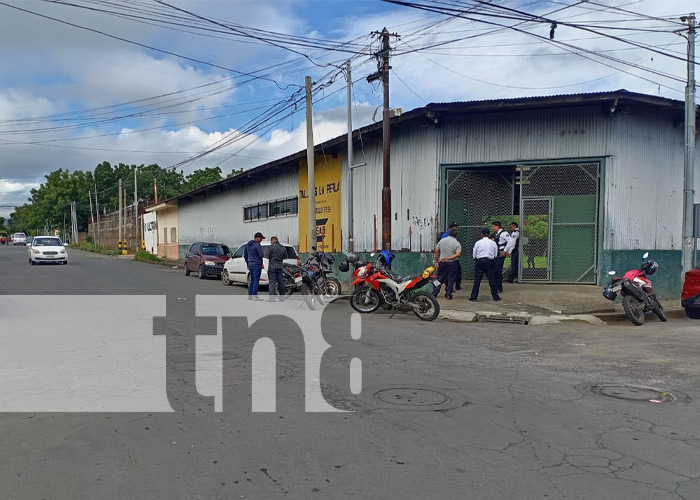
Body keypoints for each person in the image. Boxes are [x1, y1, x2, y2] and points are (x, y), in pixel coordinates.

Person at [470, 227, 501, 302]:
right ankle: (495, 297)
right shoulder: (493, 243)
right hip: (490, 262)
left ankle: (474, 297)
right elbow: (496, 254)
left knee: (477, 280)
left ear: (481, 234)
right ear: (489, 234)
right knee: (492, 280)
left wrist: (477, 259)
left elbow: (474, 254)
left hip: (480, 261)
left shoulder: (478, 243)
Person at [432, 226, 461, 300]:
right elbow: (458, 254)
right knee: (451, 279)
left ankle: (434, 293)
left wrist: (436, 261)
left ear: (449, 234)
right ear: (456, 235)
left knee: (438, 278)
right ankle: (448, 294)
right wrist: (449, 258)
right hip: (453, 263)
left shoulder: (442, 241)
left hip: (442, 262)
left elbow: (436, 251)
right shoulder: (457, 243)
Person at [440, 222, 462, 291]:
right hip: (451, 258)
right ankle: (449, 289)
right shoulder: (448, 236)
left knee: (442, 276)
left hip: (444, 258)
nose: (457, 228)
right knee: (452, 275)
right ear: (453, 228)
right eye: (456, 227)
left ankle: (436, 291)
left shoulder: (444, 236)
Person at [243, 232, 265, 300]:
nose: (261, 240)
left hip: (250, 264)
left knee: (252, 280)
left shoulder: (247, 245)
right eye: (261, 238)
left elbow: (245, 255)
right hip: (257, 264)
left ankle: (250, 295)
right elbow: (261, 255)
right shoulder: (258, 245)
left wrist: (247, 263)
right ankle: (255, 295)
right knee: (256, 280)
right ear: (257, 238)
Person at [491, 221, 510, 294]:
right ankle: (495, 287)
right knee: (494, 271)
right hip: (495, 254)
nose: (492, 228)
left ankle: (499, 288)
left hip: (500, 254)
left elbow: (510, 241)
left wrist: (505, 251)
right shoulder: (495, 234)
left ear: (497, 226)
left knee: (498, 271)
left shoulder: (504, 234)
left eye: (493, 226)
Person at [265, 236, 287, 301]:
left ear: (272, 240)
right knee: (281, 282)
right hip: (280, 267)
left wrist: (272, 258)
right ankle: (282, 297)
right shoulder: (283, 247)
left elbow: (266, 256)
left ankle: (272, 298)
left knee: (272, 282)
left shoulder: (270, 247)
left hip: (272, 267)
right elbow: (286, 257)